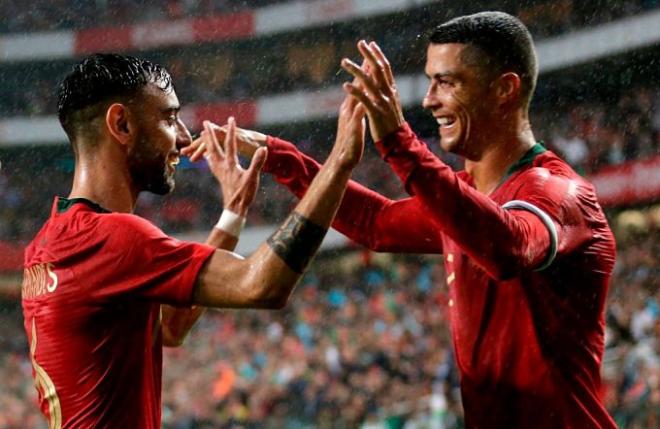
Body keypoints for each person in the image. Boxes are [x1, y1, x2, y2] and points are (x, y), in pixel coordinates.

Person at [188, 12, 618, 429]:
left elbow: (507, 247)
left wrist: (398, 141)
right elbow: (376, 223)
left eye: (447, 82)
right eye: (430, 81)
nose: (429, 99)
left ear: (504, 89)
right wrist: (278, 157)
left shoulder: (559, 194)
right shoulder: (466, 199)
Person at [21, 53, 366, 428]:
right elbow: (262, 286)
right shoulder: (112, 238)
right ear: (121, 124)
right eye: (169, 118)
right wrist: (338, 164)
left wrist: (232, 216)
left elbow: (169, 326)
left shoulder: (48, 241)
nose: (183, 137)